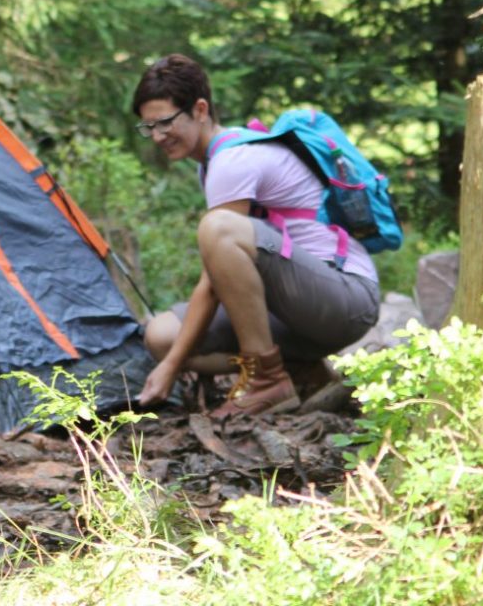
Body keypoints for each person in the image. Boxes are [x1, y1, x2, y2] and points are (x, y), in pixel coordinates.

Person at [132, 55, 380, 418]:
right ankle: (300, 371)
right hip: (296, 306)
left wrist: (171, 367)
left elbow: (214, 278)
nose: (157, 136)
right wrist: (169, 357)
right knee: (161, 335)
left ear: (200, 109)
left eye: (165, 122)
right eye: (148, 127)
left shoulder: (233, 161)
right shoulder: (214, 163)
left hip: (345, 298)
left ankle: (267, 380)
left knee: (217, 230)